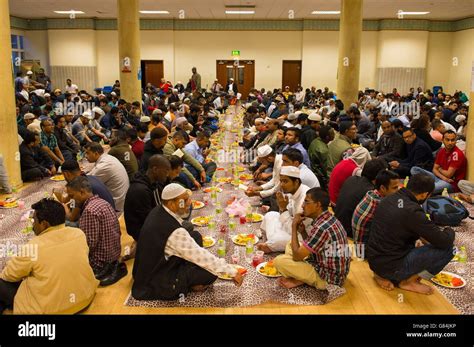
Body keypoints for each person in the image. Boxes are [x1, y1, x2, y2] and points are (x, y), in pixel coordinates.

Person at [132, 183, 243, 300]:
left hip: (149, 268)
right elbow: (202, 256)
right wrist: (231, 271)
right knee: (210, 272)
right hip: (157, 281)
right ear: (171, 203)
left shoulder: (159, 210)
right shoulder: (174, 232)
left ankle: (189, 276)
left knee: (195, 236)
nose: (189, 202)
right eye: (184, 200)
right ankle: (187, 285)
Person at [0, 198, 98, 314]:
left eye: (34, 220)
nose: (33, 224)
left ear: (44, 224)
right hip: (85, 297)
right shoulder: (78, 233)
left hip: (51, 310)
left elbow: (8, 275)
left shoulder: (34, 246)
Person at [368, 174, 455, 294]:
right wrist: (449, 229)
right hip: (392, 267)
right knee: (449, 250)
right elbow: (444, 241)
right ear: (424, 194)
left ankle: (381, 274)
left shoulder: (389, 198)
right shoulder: (413, 211)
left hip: (374, 262)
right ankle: (409, 281)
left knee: (421, 241)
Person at [274, 188, 351, 289]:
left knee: (279, 261)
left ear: (318, 205)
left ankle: (304, 279)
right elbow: (314, 245)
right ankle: (301, 276)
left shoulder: (322, 227)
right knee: (290, 244)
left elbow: (297, 256)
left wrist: (294, 226)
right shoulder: (328, 218)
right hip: (327, 266)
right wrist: (302, 232)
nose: (302, 205)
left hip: (329, 279)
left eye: (306, 202)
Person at [66, 176, 127, 286]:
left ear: (82, 192)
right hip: (114, 254)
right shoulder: (103, 202)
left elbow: (88, 245)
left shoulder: (90, 211)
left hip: (99, 263)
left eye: (72, 196)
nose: (71, 200)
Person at [259, 166, 310, 253]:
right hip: (289, 225)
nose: (282, 185)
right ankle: (271, 242)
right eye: (281, 181)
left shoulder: (304, 199)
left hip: (301, 234)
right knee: (270, 215)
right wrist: (282, 208)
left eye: (285, 181)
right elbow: (286, 216)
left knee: (278, 239)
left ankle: (271, 243)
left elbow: (294, 230)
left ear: (296, 182)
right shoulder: (292, 191)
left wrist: (283, 209)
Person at [334, 158, 387, 238]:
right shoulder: (371, 193)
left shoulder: (351, 179)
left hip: (337, 224)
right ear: (378, 177)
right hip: (349, 233)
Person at [124, 155, 171, 243]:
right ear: (155, 169)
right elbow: (149, 220)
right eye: (166, 171)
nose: (168, 175)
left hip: (150, 223)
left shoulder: (153, 183)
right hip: (142, 231)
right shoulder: (140, 190)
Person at [352, 170, 400, 248]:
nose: (398, 191)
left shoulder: (372, 194)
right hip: (365, 250)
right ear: (383, 188)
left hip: (359, 242)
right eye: (395, 188)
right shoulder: (381, 205)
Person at [85, 142, 129, 212]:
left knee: (83, 194)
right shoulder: (109, 158)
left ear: (96, 153)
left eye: (87, 153)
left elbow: (85, 182)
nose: (85, 156)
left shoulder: (104, 165)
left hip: (116, 206)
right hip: (121, 199)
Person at [308, 125, 335, 189]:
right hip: (320, 176)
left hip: (313, 170)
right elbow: (326, 168)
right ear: (327, 137)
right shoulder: (323, 150)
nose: (334, 135)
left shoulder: (315, 141)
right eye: (333, 133)